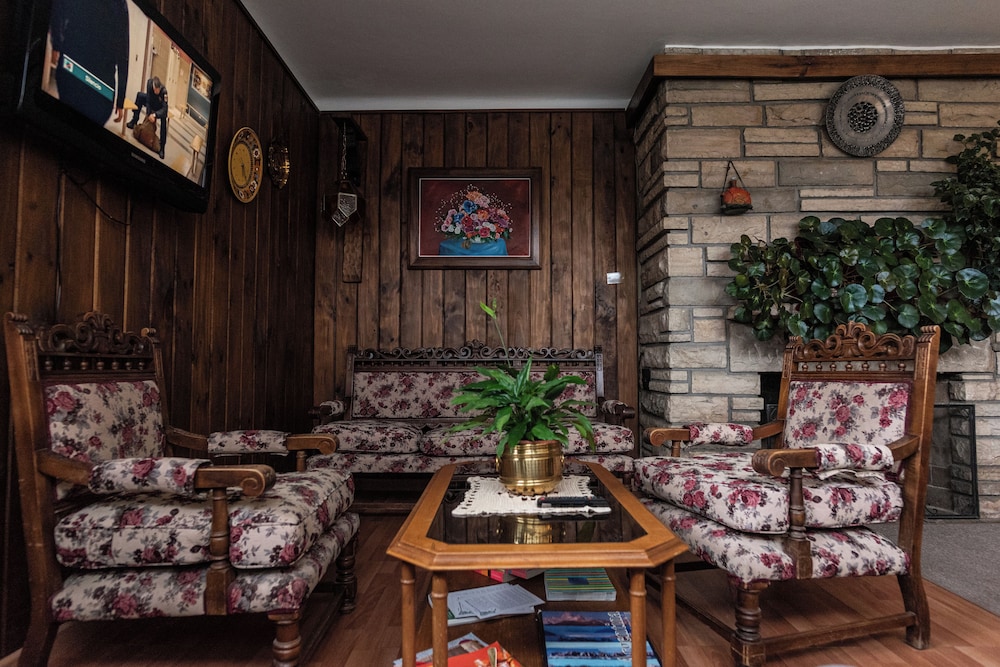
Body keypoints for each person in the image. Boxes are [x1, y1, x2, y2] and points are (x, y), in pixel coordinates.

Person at [48, 0, 130, 127]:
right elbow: (122, 53)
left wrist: (57, 44)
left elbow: (59, 8)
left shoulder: (120, 5)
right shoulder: (120, 5)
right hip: (100, 86)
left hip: (73, 70)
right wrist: (120, 100)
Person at [127, 77, 169, 159]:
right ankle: (134, 121)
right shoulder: (149, 83)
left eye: (157, 90)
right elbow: (148, 100)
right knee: (139, 95)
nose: (156, 91)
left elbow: (165, 109)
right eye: (155, 89)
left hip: (159, 107)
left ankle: (162, 147)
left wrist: (155, 115)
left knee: (164, 120)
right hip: (152, 103)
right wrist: (149, 114)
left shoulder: (164, 92)